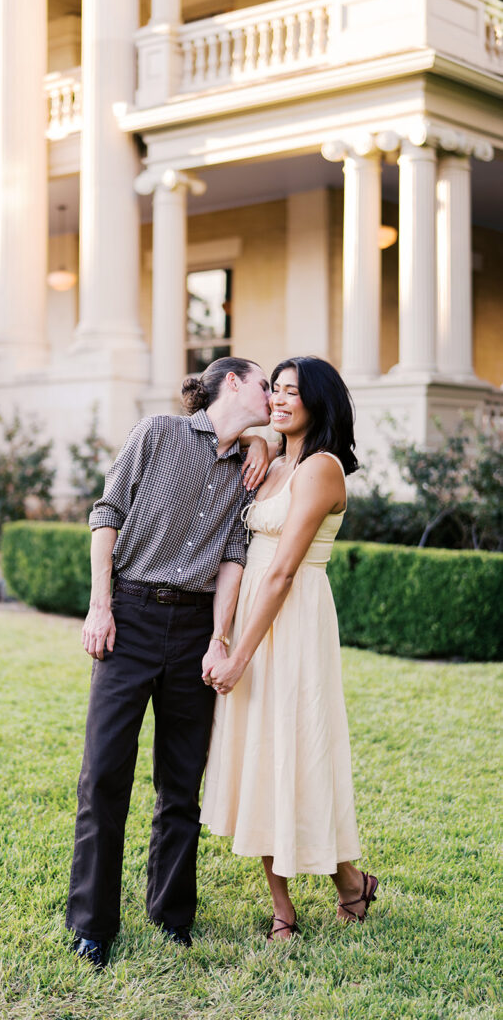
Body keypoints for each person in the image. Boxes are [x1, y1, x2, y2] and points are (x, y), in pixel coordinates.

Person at [66, 356, 273, 968]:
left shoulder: (251, 469)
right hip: (128, 615)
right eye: (265, 384)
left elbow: (235, 554)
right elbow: (107, 514)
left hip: (192, 630)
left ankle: (172, 913)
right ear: (231, 382)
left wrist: (219, 637)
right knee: (104, 774)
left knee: (181, 783)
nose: (273, 396)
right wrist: (100, 606)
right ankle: (93, 924)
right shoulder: (157, 432)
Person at [201, 356, 379, 941]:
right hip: (254, 616)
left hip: (292, 620)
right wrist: (256, 437)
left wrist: (237, 656)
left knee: (298, 750)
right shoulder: (276, 462)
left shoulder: (322, 470)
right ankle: (286, 909)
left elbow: (281, 573)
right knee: (260, 754)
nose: (278, 399)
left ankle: (348, 882)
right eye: (273, 390)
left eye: (291, 392)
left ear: (318, 401)